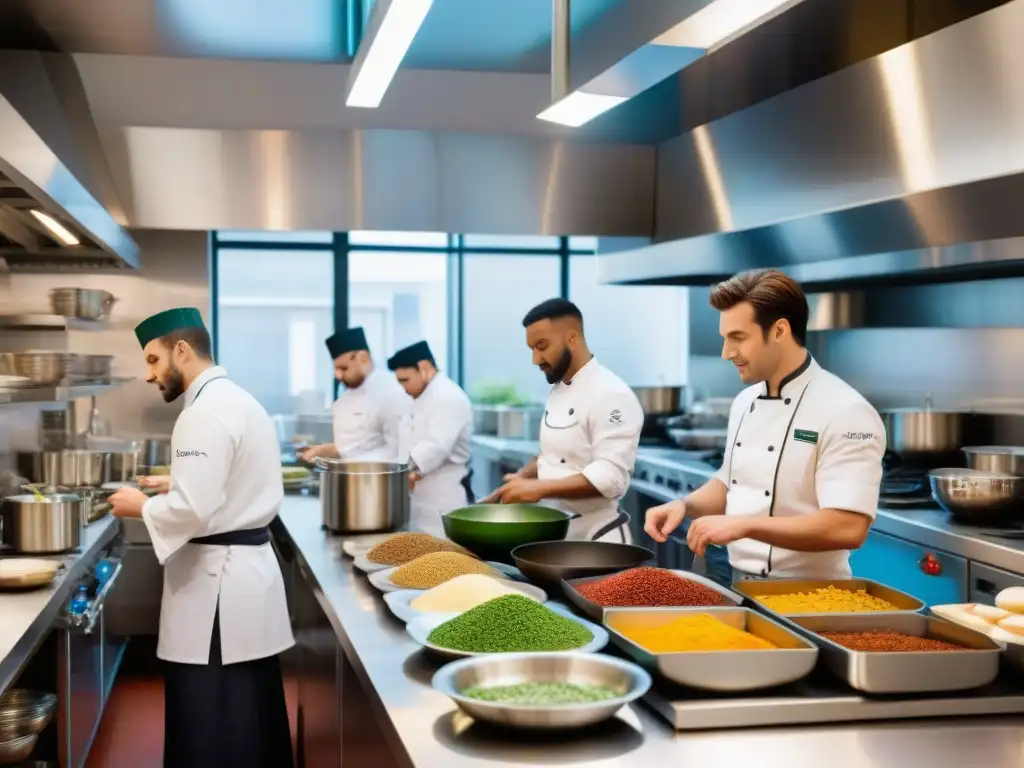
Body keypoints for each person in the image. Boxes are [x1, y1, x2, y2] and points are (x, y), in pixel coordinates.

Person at [108, 307, 294, 768]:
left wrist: (141, 506)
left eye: (153, 360)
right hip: (243, 582)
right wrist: (180, 480)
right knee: (250, 717)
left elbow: (194, 509)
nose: (149, 375)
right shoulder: (238, 400)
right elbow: (231, 479)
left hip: (218, 597)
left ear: (182, 350)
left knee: (213, 726)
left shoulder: (202, 414)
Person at [644, 269, 886, 583]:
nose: (726, 353)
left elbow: (847, 527)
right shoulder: (744, 401)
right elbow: (731, 483)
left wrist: (744, 524)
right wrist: (684, 505)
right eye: (725, 338)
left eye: (738, 338)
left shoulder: (846, 411)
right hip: (739, 584)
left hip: (811, 598)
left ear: (780, 331)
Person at [484, 298, 643, 542]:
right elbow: (552, 453)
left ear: (572, 338)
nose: (535, 359)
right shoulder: (559, 388)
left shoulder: (611, 394)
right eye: (532, 349)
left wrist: (537, 488)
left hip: (597, 535)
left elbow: (611, 478)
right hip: (557, 530)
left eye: (542, 346)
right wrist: (522, 477)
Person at [387, 340, 473, 534]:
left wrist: (398, 472)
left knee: (443, 558)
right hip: (417, 499)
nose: (403, 387)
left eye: (405, 380)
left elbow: (436, 446)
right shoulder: (415, 398)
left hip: (444, 499)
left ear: (424, 367)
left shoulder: (450, 396)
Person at [298, 327, 409, 463]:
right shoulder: (343, 400)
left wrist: (348, 466)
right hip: (347, 478)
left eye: (344, 368)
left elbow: (398, 452)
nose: (338, 376)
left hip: (381, 481)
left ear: (363, 358)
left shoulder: (393, 391)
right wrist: (321, 451)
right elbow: (351, 448)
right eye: (336, 369)